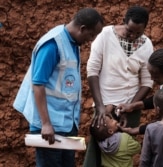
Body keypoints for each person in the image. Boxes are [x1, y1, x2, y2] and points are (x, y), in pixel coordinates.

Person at [13, 8, 103, 167]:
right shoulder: (52, 45)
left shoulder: (73, 42)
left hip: (65, 124)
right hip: (50, 126)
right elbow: (38, 84)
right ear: (82, 29)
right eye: (91, 35)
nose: (91, 40)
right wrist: (45, 123)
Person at [83, 6, 154, 167]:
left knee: (123, 151)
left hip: (130, 108)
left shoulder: (147, 45)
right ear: (123, 22)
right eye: (130, 31)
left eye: (138, 33)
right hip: (104, 107)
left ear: (145, 28)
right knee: (95, 153)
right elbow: (92, 71)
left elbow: (147, 82)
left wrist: (130, 106)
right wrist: (100, 106)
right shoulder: (105, 35)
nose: (133, 36)